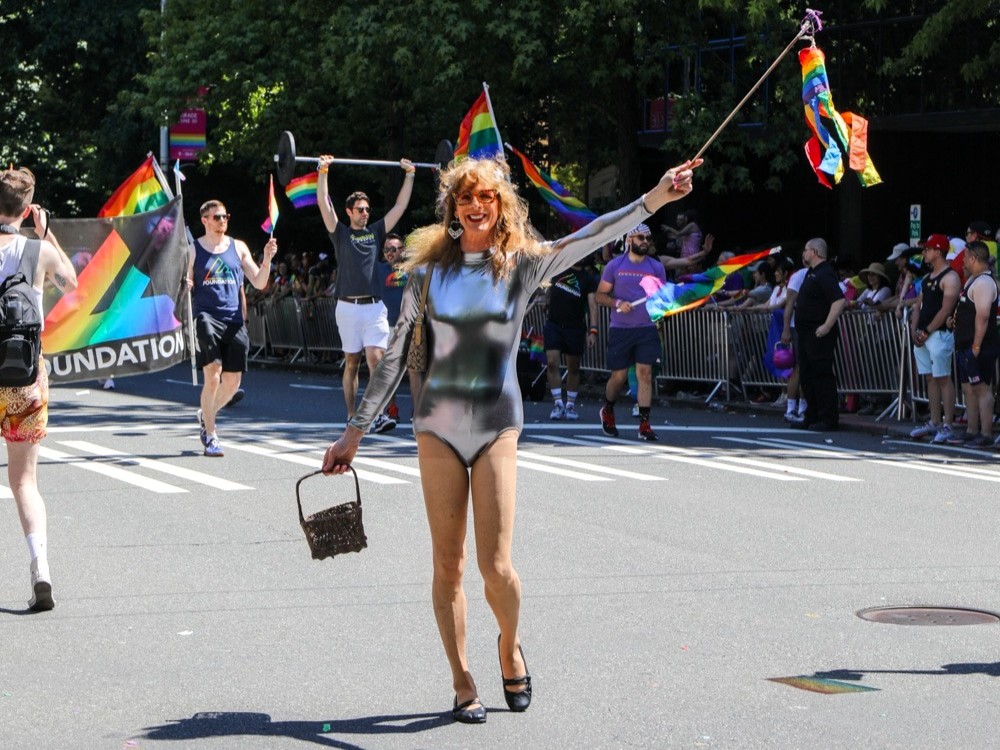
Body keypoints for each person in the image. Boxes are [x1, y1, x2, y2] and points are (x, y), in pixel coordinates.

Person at [321, 155, 700, 724]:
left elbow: (593, 234)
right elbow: (396, 354)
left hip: (498, 423)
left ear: (502, 209)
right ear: (453, 208)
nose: (477, 206)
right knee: (447, 564)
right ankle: (461, 679)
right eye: (467, 198)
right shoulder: (424, 276)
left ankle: (509, 641)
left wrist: (654, 199)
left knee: (496, 566)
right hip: (436, 428)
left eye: (488, 198)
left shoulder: (521, 267)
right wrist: (355, 432)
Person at [0, 167, 79, 611]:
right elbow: (72, 282)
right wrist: (46, 235)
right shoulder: (37, 252)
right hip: (25, 379)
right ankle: (40, 570)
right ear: (28, 209)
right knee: (24, 481)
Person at [317, 154, 416, 434]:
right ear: (349, 212)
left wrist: (409, 175)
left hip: (374, 308)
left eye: (367, 209)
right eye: (360, 209)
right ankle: (352, 415)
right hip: (348, 308)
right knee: (352, 362)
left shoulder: (375, 232)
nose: (365, 213)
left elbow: (400, 205)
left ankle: (379, 414)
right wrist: (323, 171)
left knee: (376, 358)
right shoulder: (340, 233)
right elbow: (324, 204)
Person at [189, 200, 276, 457]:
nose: (222, 220)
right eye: (216, 217)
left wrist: (267, 259)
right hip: (206, 317)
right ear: (204, 220)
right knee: (213, 372)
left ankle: (206, 415)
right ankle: (212, 436)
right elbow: (186, 281)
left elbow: (259, 283)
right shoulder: (194, 249)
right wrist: (187, 284)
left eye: (225, 216)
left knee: (232, 382)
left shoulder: (238, 247)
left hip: (234, 319)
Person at [596, 224, 667, 441]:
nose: (645, 241)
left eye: (647, 237)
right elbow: (600, 296)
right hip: (621, 329)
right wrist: (617, 302)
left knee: (644, 373)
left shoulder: (656, 267)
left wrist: (663, 307)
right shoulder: (615, 265)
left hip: (646, 328)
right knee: (618, 377)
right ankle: (607, 409)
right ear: (629, 240)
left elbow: (662, 297)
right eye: (640, 237)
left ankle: (644, 425)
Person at [782, 237, 846, 431]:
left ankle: (828, 418)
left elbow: (839, 301)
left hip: (818, 333)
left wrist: (827, 325)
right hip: (806, 332)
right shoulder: (811, 273)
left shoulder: (825, 273)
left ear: (815, 252)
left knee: (821, 374)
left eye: (806, 250)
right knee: (807, 375)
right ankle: (812, 414)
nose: (804, 253)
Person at [907, 234, 961, 443]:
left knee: (943, 378)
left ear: (938, 251)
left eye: (927, 249)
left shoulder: (950, 277)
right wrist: (914, 329)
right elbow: (918, 305)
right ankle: (935, 421)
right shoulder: (928, 278)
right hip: (924, 334)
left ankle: (948, 424)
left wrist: (926, 330)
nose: (924, 253)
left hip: (938, 335)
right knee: (930, 378)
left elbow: (947, 309)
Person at [946, 240, 998, 448]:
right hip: (966, 345)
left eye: (966, 258)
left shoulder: (984, 283)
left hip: (980, 346)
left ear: (974, 259)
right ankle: (971, 430)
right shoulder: (973, 281)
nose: (963, 262)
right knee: (968, 388)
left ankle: (985, 434)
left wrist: (976, 345)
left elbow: (983, 315)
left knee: (982, 389)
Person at [543, 256, 599, 420]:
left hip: (575, 327)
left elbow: (593, 305)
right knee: (552, 362)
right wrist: (546, 301)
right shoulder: (558, 269)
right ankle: (558, 403)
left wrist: (593, 330)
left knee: (573, 367)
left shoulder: (588, 279)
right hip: (554, 324)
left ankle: (570, 405)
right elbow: (547, 288)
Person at [378, 233, 421, 421]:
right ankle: (392, 410)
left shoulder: (413, 269)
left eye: (394, 249)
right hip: (386, 327)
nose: (390, 253)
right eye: (387, 249)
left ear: (402, 250)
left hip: (409, 326)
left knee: (414, 370)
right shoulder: (378, 269)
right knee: (389, 372)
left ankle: (417, 412)